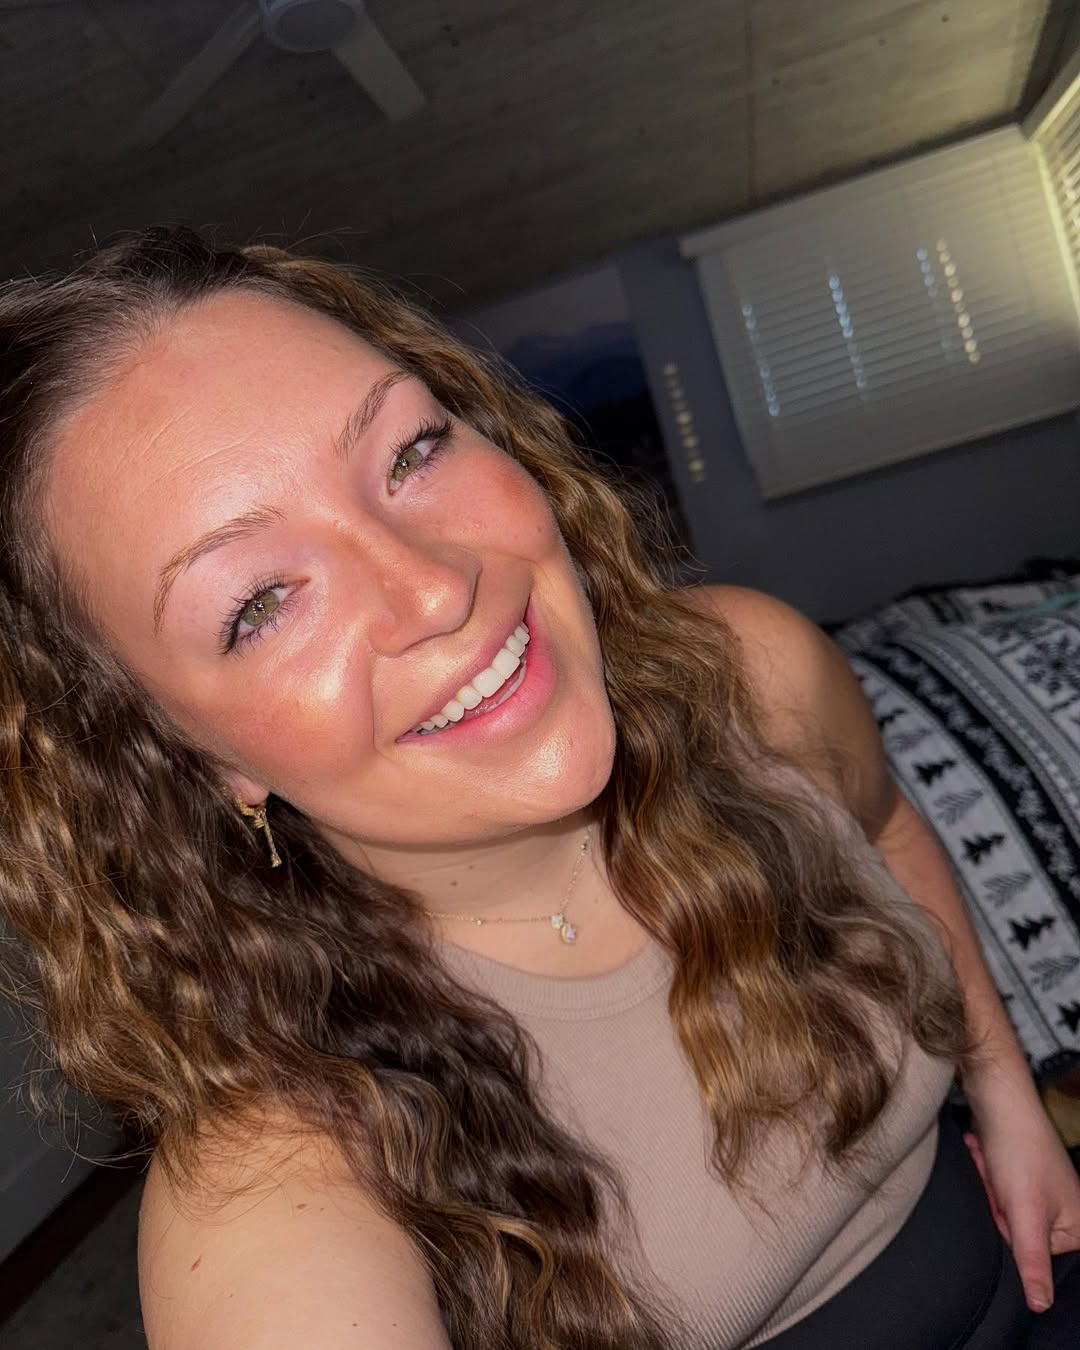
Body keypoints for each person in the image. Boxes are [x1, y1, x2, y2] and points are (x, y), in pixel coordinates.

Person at [0, 225, 1077, 1350]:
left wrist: (1008, 1101)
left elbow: (887, 825)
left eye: (412, 452)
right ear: (183, 754)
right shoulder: (278, 1168)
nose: (436, 588)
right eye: (259, 604)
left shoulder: (750, 675)